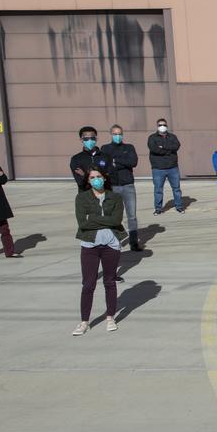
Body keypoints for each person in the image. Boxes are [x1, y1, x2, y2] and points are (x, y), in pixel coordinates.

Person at [73, 168, 124, 335]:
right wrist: (105, 222)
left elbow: (116, 220)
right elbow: (83, 223)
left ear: (104, 177)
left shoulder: (115, 197)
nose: (96, 180)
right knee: (88, 284)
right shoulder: (81, 198)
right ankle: (84, 322)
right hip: (90, 246)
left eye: (99, 177)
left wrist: (93, 219)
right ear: (88, 181)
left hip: (111, 245)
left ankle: (110, 317)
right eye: (93, 177)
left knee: (109, 282)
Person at [101, 124, 142, 251]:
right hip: (113, 186)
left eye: (119, 134)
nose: (117, 136)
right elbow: (103, 164)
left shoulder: (129, 147)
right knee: (114, 215)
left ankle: (134, 242)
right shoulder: (105, 148)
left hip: (128, 185)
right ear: (111, 134)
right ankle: (115, 240)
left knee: (132, 216)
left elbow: (133, 162)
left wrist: (116, 161)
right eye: (115, 134)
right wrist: (119, 162)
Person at [147, 118, 183, 214]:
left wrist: (163, 148)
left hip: (173, 168)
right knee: (158, 190)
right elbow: (154, 149)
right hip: (158, 169)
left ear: (167, 126)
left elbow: (176, 146)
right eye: (160, 125)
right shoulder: (152, 138)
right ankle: (158, 209)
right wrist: (169, 150)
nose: (162, 126)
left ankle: (179, 206)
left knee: (176, 189)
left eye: (164, 125)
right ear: (157, 126)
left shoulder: (172, 137)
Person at [69, 126, 108, 190]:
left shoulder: (105, 157)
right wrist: (100, 177)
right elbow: (80, 182)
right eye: (86, 139)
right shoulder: (76, 159)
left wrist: (84, 175)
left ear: (96, 139)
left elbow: (111, 177)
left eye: (92, 138)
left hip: (105, 193)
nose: (90, 140)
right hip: (85, 195)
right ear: (81, 140)